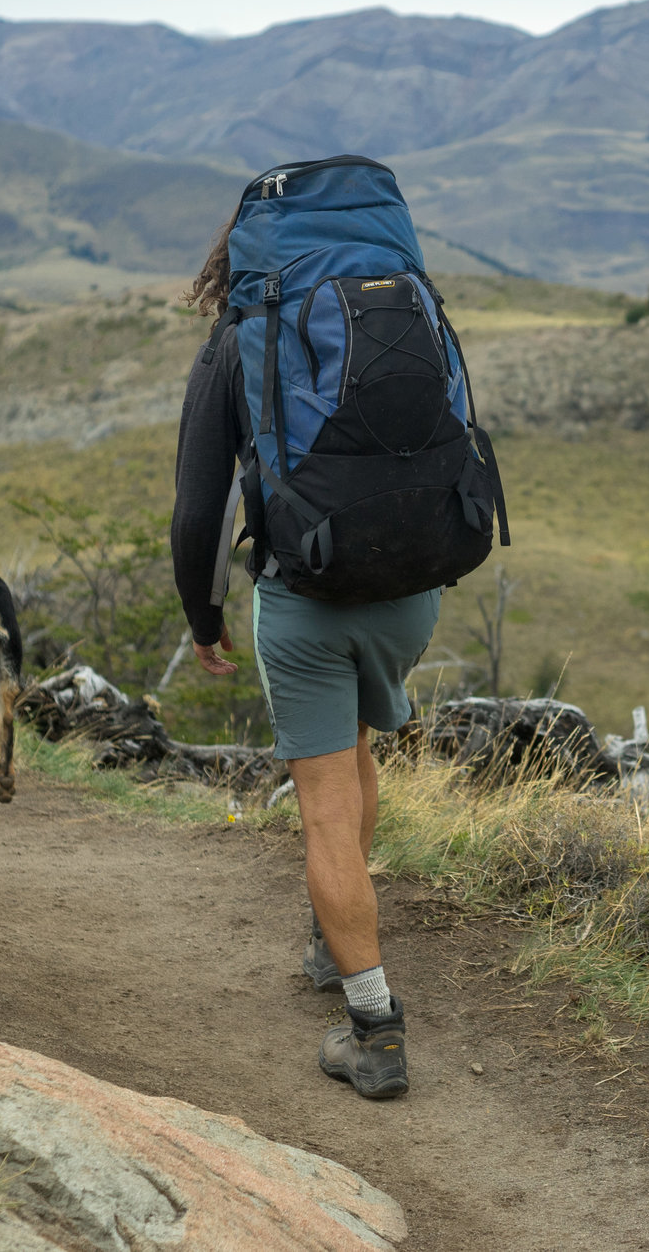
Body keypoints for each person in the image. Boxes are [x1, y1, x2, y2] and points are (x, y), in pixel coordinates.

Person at [168, 217, 438, 1100]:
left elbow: (198, 500)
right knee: (352, 741)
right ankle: (334, 940)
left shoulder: (241, 335)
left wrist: (202, 615)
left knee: (322, 807)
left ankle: (374, 1027)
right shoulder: (401, 308)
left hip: (306, 597)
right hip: (411, 589)